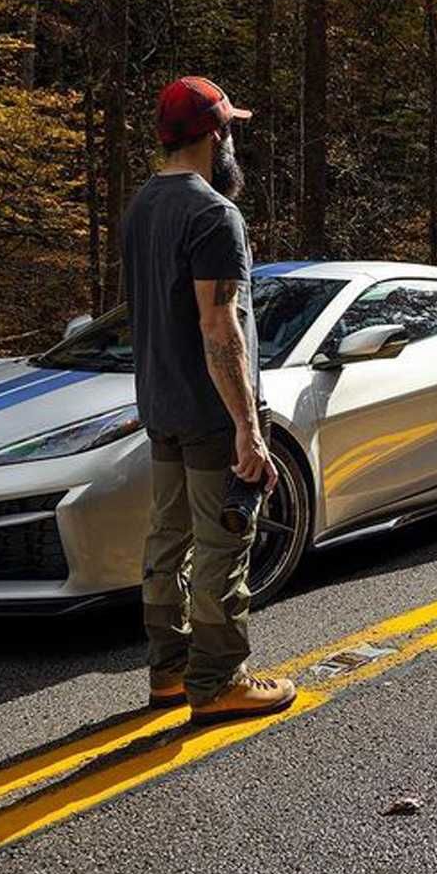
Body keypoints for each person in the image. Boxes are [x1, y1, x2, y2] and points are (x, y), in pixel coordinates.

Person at [123, 75, 296, 724]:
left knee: (167, 540)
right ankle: (219, 680)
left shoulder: (141, 207)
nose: (232, 143)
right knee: (224, 539)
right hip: (208, 412)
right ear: (215, 135)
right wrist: (247, 428)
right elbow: (219, 326)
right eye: (230, 130)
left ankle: (168, 672)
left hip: (159, 405)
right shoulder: (214, 215)